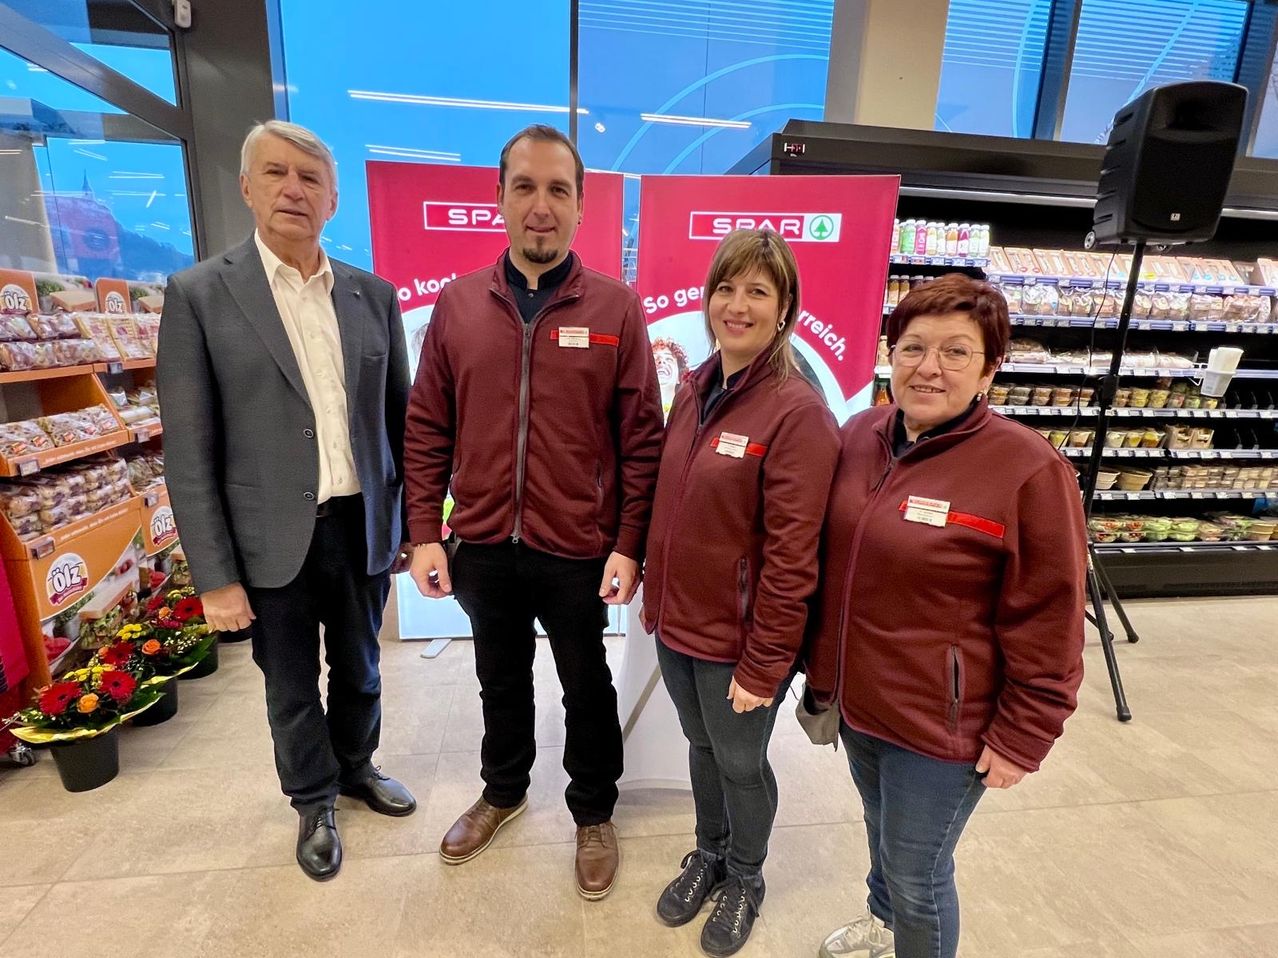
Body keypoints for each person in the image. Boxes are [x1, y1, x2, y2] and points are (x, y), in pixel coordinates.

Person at [404, 123, 664, 900]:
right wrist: (424, 531)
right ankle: (504, 792)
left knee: (587, 684)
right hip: (482, 540)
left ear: (583, 206)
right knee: (498, 677)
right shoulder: (457, 306)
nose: (541, 206)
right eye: (526, 187)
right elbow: (426, 425)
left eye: (558, 190)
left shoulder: (617, 308)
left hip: (579, 546)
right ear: (500, 198)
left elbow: (641, 440)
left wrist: (629, 544)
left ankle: (592, 811)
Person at [157, 120, 416, 883]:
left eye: (309, 178)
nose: (292, 190)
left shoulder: (373, 296)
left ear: (333, 200)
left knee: (363, 668)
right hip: (268, 537)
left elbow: (398, 420)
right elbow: (189, 449)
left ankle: (358, 767)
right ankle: (314, 800)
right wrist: (214, 576)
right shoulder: (200, 295)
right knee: (292, 684)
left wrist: (408, 523)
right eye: (276, 174)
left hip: (360, 524)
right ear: (247, 187)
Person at [805, 273, 1086, 958]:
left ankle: (907, 932)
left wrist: (1026, 732)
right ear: (889, 354)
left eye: (956, 352)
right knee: (882, 837)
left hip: (945, 725)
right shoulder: (860, 434)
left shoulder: (1026, 469)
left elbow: (1051, 616)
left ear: (990, 367)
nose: (929, 367)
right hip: (861, 703)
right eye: (912, 348)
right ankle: (882, 927)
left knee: (918, 871)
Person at [642, 229, 839, 956]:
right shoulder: (697, 385)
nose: (737, 304)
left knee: (741, 762)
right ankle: (709, 851)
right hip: (677, 623)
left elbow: (794, 557)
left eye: (758, 290)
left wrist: (764, 664)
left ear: (785, 308)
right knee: (700, 746)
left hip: (740, 642)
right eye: (726, 287)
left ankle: (745, 876)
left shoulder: (797, 411)